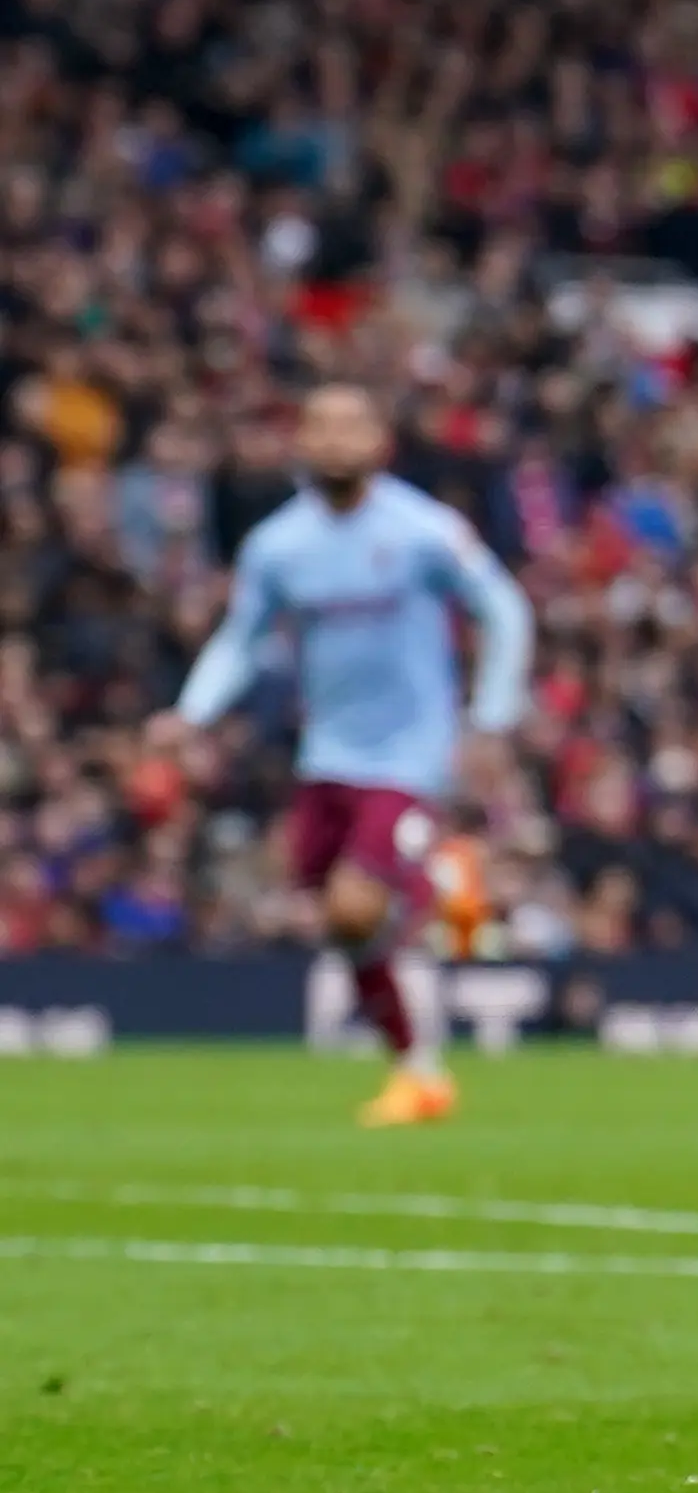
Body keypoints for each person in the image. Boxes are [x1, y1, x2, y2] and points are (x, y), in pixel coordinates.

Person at [145, 384, 533, 1127]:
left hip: (411, 755)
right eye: (319, 426)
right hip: (327, 758)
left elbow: (505, 609)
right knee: (339, 921)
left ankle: (445, 871)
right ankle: (419, 1073)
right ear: (301, 444)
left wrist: (492, 716)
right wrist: (190, 714)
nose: (335, 440)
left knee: (358, 905)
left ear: (380, 442)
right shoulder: (279, 547)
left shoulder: (425, 531)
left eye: (352, 425)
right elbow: (240, 640)